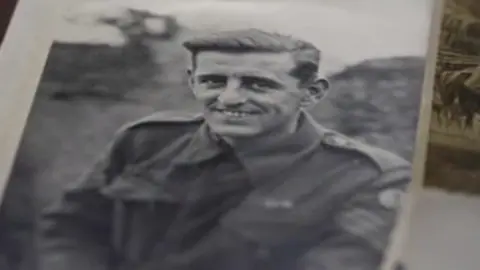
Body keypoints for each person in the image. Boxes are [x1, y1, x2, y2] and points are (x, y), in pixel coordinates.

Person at [38, 28, 411, 270]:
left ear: (311, 94)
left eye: (258, 84)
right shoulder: (147, 141)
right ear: (192, 81)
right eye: (213, 81)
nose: (229, 98)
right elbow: (72, 228)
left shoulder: (368, 178)